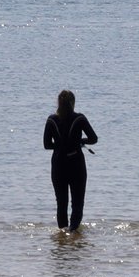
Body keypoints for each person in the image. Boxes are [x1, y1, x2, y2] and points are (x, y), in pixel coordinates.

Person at [42, 90, 97, 231]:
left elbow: (47, 145)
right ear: (73, 103)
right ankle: (73, 232)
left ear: (58, 103)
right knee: (77, 202)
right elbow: (93, 139)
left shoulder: (51, 120)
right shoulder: (79, 119)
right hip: (76, 163)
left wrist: (60, 146)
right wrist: (79, 141)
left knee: (61, 202)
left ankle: (63, 234)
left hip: (59, 163)